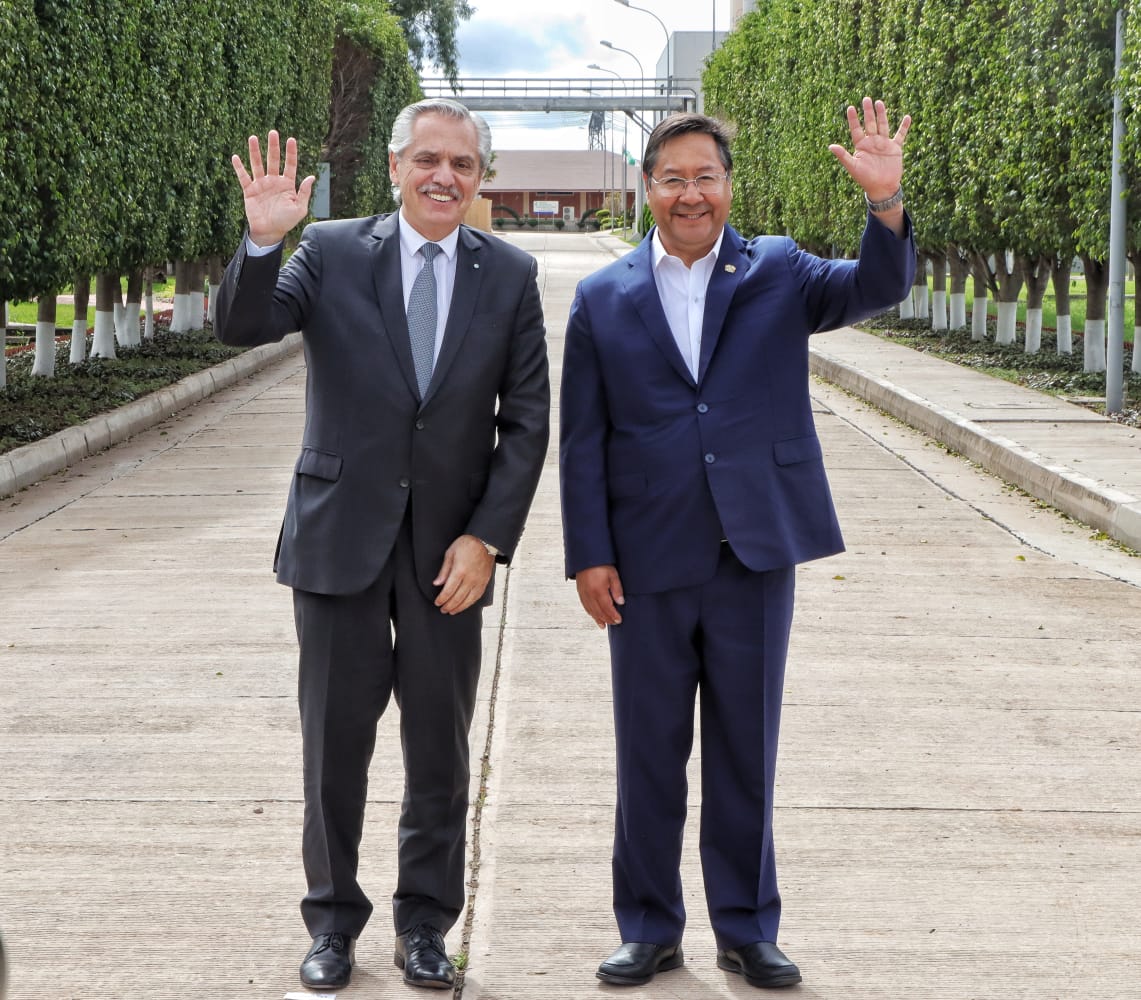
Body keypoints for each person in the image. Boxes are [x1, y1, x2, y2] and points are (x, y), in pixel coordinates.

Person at [559, 98, 915, 989]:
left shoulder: (778, 271)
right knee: (647, 754)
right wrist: (588, 554)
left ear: (728, 185)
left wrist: (883, 202)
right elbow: (583, 439)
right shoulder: (602, 297)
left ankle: (747, 929)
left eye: (706, 177)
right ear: (646, 189)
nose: (691, 194)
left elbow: (876, 287)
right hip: (644, 559)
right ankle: (648, 927)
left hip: (752, 550)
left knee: (744, 751)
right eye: (672, 178)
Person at [215, 98, 550, 991]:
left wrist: (488, 538)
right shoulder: (329, 251)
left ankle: (425, 926)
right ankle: (331, 925)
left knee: (439, 750)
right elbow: (245, 326)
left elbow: (526, 422)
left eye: (462, 165)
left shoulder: (508, 274)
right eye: (427, 160)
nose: (444, 177)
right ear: (396, 167)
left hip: (450, 556)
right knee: (333, 748)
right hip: (338, 539)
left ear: (480, 179)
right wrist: (262, 243)